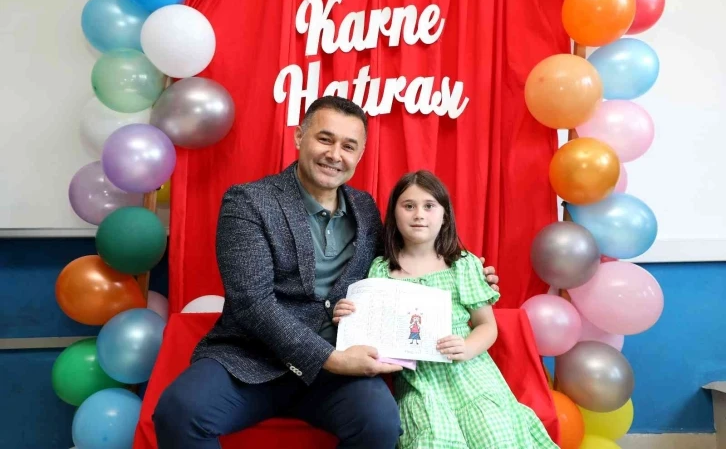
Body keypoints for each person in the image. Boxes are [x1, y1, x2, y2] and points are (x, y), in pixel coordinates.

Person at [153, 96, 500, 449]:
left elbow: (401, 263)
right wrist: (331, 360)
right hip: (253, 358)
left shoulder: (364, 208)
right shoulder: (249, 202)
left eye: (348, 146)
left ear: (360, 155)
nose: (335, 154)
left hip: (336, 366)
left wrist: (466, 268)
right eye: (325, 139)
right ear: (299, 136)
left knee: (379, 423)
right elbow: (251, 303)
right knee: (178, 413)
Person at [333, 170, 557, 449]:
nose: (419, 214)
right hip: (420, 382)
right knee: (434, 439)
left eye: (429, 206)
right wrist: (349, 317)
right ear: (394, 215)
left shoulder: (463, 265)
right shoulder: (381, 269)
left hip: (471, 376)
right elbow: (373, 328)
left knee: (494, 434)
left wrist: (467, 347)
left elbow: (487, 325)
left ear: (445, 216)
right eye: (409, 206)